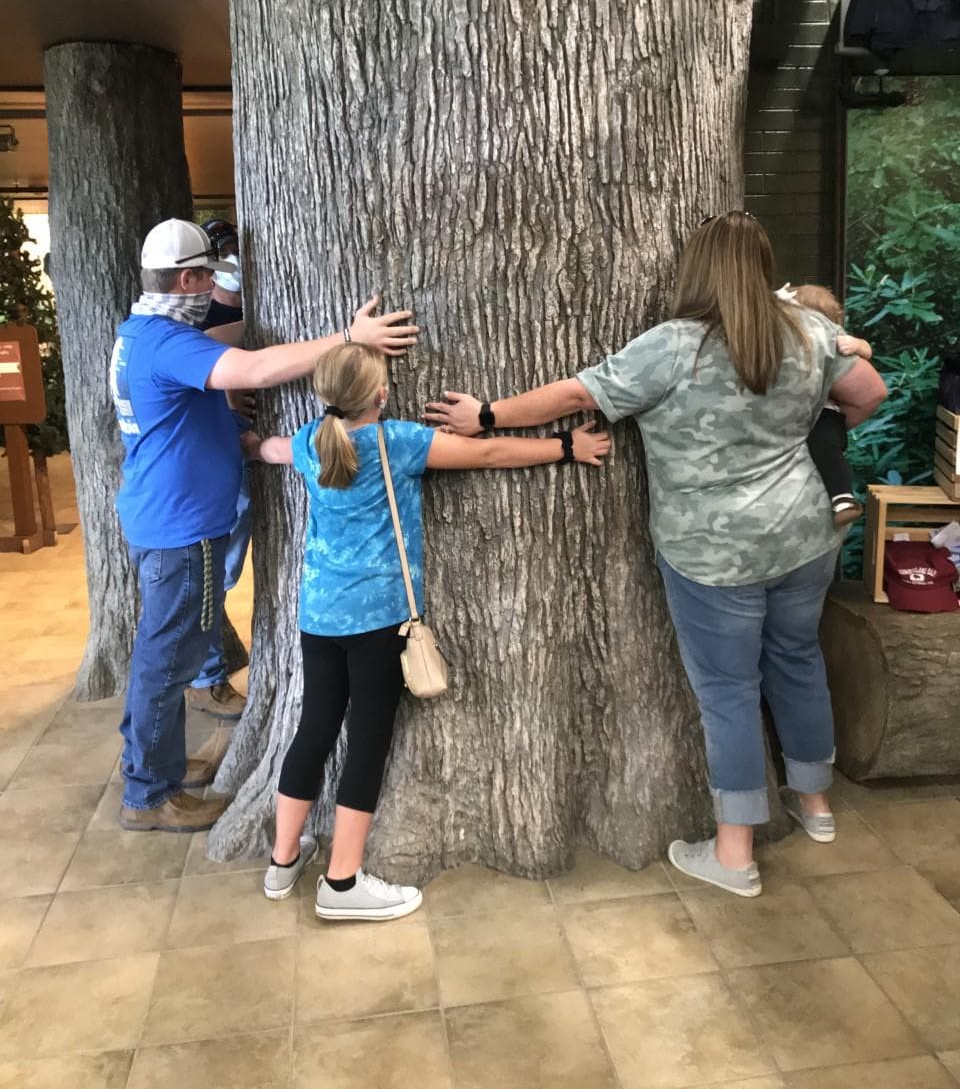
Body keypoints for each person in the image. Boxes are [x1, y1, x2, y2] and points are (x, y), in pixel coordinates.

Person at [425, 212, 887, 898]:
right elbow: (870, 393)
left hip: (711, 551)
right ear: (763, 268)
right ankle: (814, 804)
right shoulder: (810, 331)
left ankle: (735, 855)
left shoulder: (673, 347)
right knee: (796, 659)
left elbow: (579, 394)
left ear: (694, 269)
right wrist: (802, 429)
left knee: (728, 691)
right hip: (803, 534)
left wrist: (487, 415)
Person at [248, 341, 610, 918]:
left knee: (314, 729)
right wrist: (566, 446)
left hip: (318, 615)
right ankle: (341, 884)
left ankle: (282, 860)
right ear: (382, 395)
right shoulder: (399, 443)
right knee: (366, 740)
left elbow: (269, 449)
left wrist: (248, 444)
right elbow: (488, 454)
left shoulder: (307, 443)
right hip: (378, 619)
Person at [111, 218, 418, 834]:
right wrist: (348, 337)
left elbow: (228, 334)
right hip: (181, 527)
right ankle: (147, 792)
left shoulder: (146, 331)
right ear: (190, 278)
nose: (214, 287)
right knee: (165, 660)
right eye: (211, 276)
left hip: (167, 517)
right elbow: (253, 369)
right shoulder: (167, 343)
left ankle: (160, 769)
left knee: (174, 651)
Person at [186, 218, 252, 720]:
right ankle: (205, 679)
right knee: (216, 568)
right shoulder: (189, 322)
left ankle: (208, 672)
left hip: (241, 445)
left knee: (222, 568)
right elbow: (221, 351)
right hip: (216, 451)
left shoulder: (223, 312)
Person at [779, 283, 873, 528]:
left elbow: (866, 349)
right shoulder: (789, 339)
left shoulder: (833, 336)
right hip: (798, 413)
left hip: (825, 413)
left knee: (826, 448)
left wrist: (856, 345)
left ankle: (843, 499)